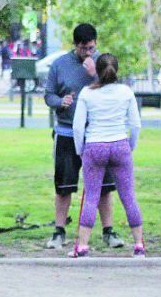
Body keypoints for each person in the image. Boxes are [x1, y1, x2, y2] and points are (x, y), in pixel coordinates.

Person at [43, 23, 124, 250]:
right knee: (64, 186)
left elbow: (117, 91)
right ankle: (59, 232)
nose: (88, 53)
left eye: (91, 48)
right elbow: (48, 94)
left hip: (98, 134)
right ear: (75, 45)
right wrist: (60, 102)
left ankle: (108, 231)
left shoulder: (104, 63)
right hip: (67, 133)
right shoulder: (59, 65)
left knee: (105, 187)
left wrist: (94, 74)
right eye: (84, 49)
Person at [71, 53, 144, 257]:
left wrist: (80, 150)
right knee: (128, 196)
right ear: (116, 70)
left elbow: (78, 127)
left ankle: (83, 246)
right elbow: (135, 124)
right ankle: (139, 245)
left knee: (91, 197)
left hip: (95, 146)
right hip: (119, 144)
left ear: (97, 70)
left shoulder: (87, 93)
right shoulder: (126, 92)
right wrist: (130, 145)